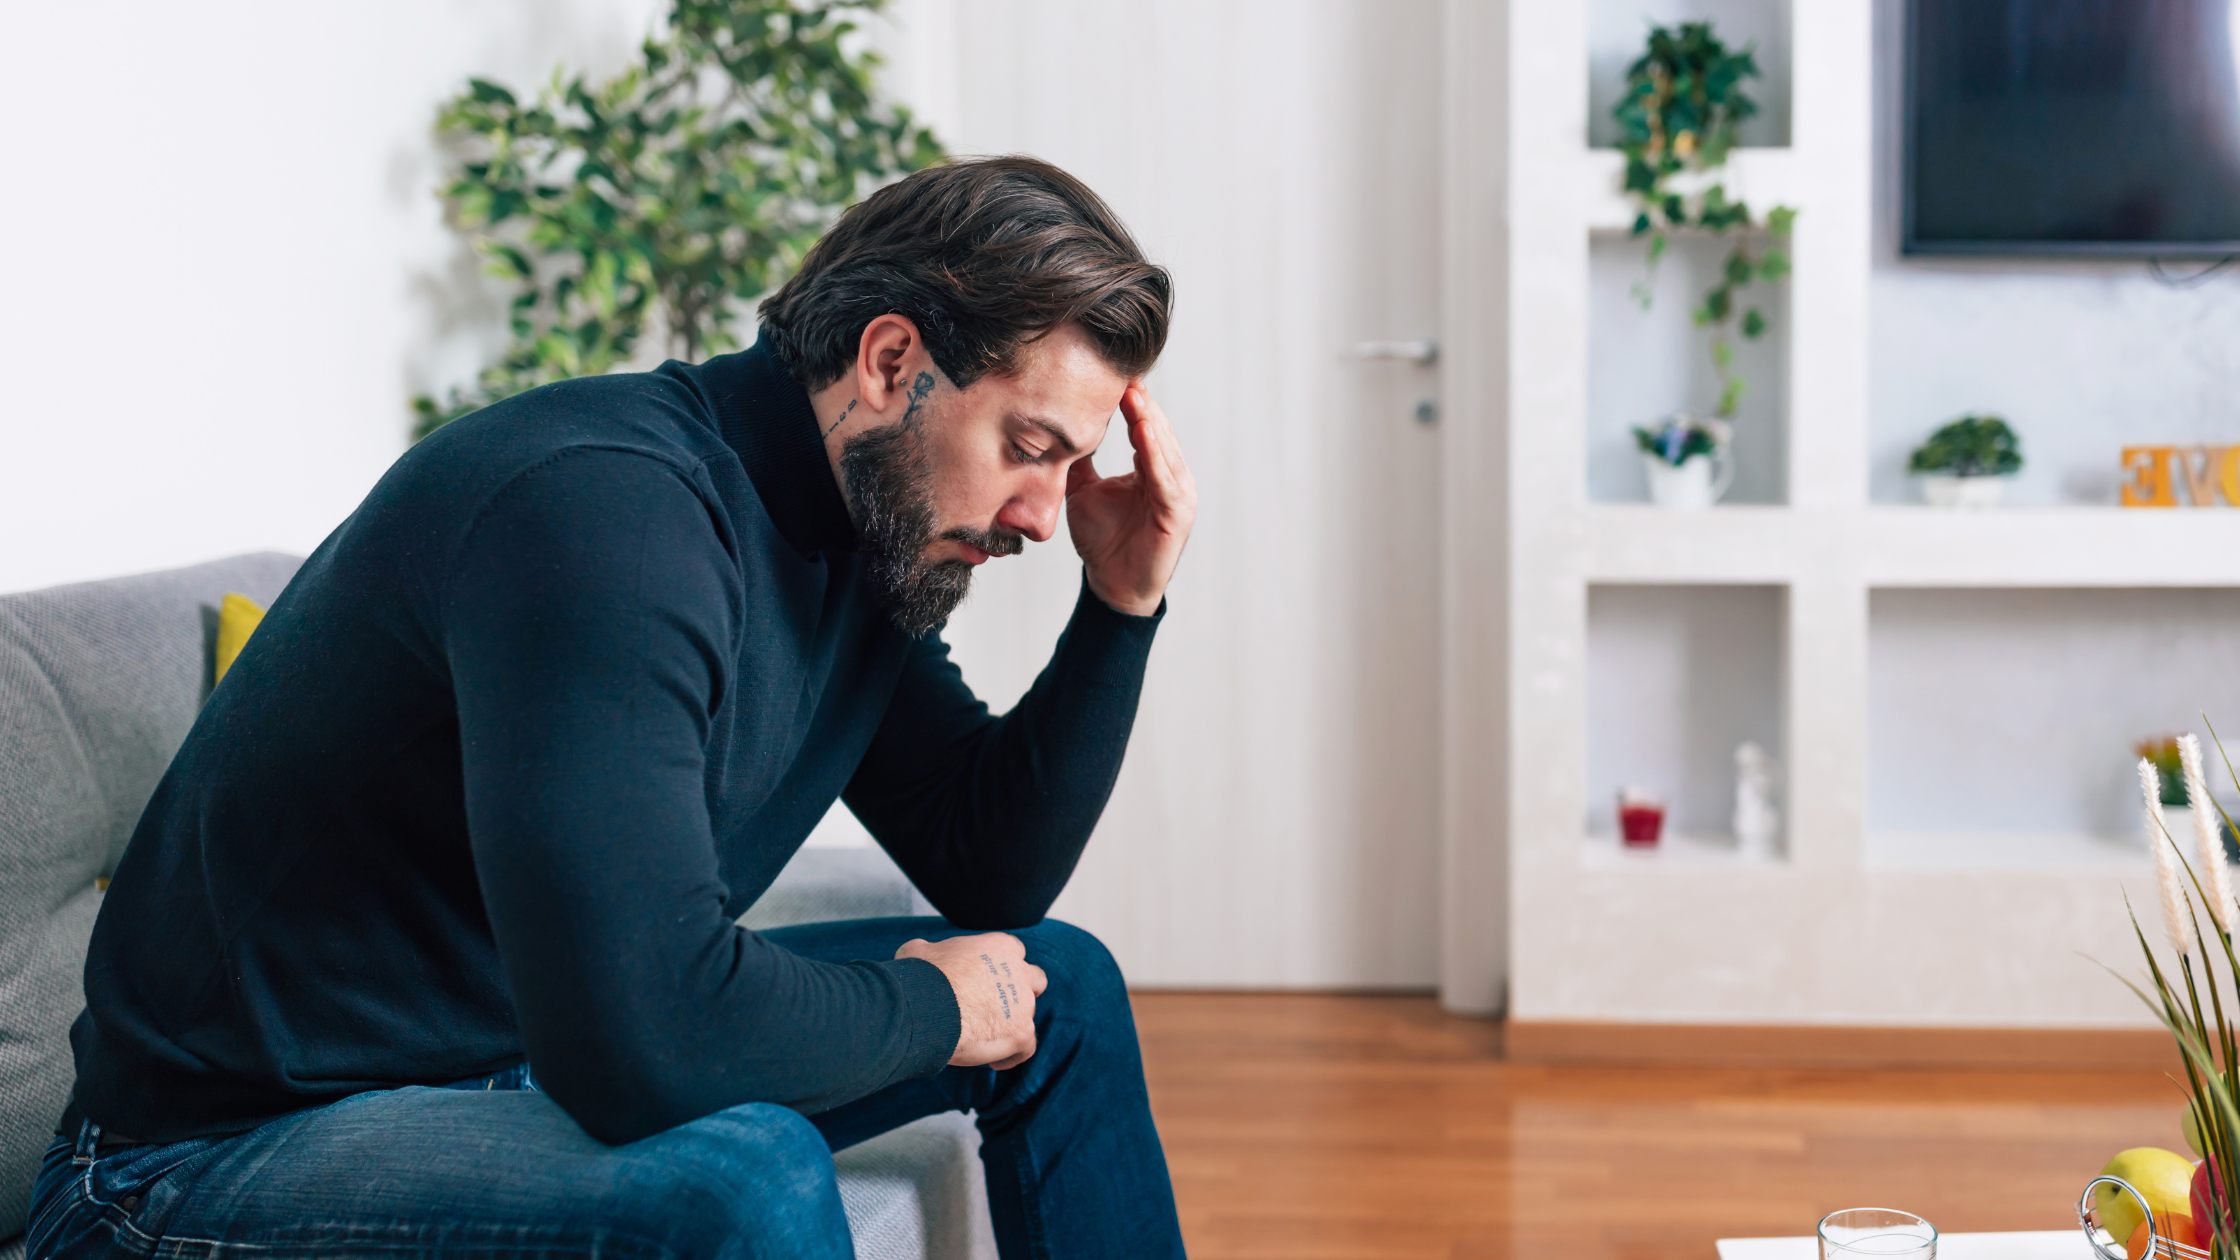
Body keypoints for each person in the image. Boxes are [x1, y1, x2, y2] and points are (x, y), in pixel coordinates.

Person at [28, 156, 1195, 1260]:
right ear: (891, 361)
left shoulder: (853, 537)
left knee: (1060, 986)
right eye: (1028, 446)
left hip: (513, 1066)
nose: (1043, 514)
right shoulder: (607, 518)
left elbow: (986, 868)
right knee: (743, 1172)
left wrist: (1119, 602)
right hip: (196, 1163)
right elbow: (649, 1042)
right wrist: (929, 1010)